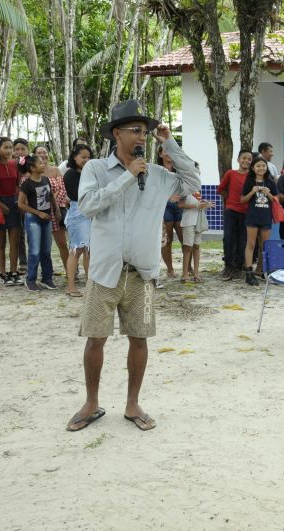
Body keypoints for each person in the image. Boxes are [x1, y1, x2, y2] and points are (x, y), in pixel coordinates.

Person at [66, 99, 199, 432]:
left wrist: (169, 141)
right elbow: (88, 205)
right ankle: (91, 403)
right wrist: (126, 177)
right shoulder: (96, 168)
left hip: (142, 273)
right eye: (135, 131)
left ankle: (132, 404)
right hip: (104, 271)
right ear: (116, 133)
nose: (142, 137)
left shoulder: (157, 174)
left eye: (146, 132)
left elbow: (193, 181)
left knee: (139, 339)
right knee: (95, 338)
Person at [17, 154, 60, 292]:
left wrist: (57, 210)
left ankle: (47, 278)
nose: (43, 164)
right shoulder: (27, 184)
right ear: (32, 167)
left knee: (46, 251)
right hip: (33, 220)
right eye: (40, 163)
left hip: (47, 219)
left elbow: (51, 196)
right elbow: (21, 204)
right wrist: (38, 213)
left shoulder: (46, 179)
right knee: (34, 251)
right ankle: (30, 279)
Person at [0, 137, 23, 286]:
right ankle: (3, 273)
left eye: (11, 148)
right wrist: (0, 205)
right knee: (1, 243)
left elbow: (18, 186)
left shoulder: (14, 165)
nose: (9, 151)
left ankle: (14, 272)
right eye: (6, 148)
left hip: (14, 203)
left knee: (15, 242)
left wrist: (20, 203)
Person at [34, 145, 70, 279]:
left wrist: (52, 202)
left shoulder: (55, 170)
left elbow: (62, 189)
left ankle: (70, 271)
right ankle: (46, 273)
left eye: (45, 152)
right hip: (39, 212)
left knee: (62, 243)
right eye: (39, 153)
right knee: (43, 246)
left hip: (56, 211)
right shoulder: (32, 172)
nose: (43, 155)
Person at [241, 157, 277, 286]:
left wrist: (269, 194)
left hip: (266, 218)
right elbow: (242, 200)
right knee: (251, 244)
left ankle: (264, 271)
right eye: (258, 166)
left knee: (265, 246)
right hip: (252, 217)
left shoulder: (270, 182)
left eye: (263, 166)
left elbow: (276, 200)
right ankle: (249, 273)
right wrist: (252, 192)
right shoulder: (249, 181)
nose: (261, 168)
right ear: (253, 168)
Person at [63, 144, 94, 297]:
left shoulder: (90, 173)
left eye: (89, 157)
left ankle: (90, 285)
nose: (86, 160)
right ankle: (71, 286)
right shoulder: (70, 175)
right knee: (77, 250)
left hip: (91, 214)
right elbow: (80, 195)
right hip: (77, 213)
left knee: (89, 251)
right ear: (74, 157)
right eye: (83, 157)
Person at [216, 149, 252, 281]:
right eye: (244, 158)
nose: (246, 161)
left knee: (243, 240)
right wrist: (230, 198)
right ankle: (228, 266)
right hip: (231, 211)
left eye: (249, 159)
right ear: (238, 159)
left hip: (246, 213)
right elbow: (220, 189)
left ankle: (239, 266)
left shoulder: (252, 177)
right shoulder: (231, 173)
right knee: (229, 238)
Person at [159, 146, 184, 278]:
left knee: (184, 239)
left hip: (180, 206)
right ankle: (170, 269)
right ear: (160, 154)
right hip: (164, 207)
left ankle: (188, 267)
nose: (168, 153)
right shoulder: (157, 170)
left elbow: (188, 185)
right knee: (167, 240)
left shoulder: (180, 170)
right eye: (165, 151)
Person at [179, 189, 211, 283]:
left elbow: (199, 206)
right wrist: (197, 205)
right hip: (188, 222)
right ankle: (185, 274)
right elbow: (180, 205)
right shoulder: (185, 190)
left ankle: (196, 273)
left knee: (196, 247)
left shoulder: (198, 191)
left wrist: (205, 205)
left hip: (198, 222)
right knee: (188, 248)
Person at [13, 138, 30, 274]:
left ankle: (35, 261)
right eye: (17, 149)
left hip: (31, 204)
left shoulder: (32, 164)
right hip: (15, 202)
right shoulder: (11, 164)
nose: (19, 152)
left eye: (22, 149)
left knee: (32, 234)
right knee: (19, 234)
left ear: (28, 150)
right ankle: (23, 262)